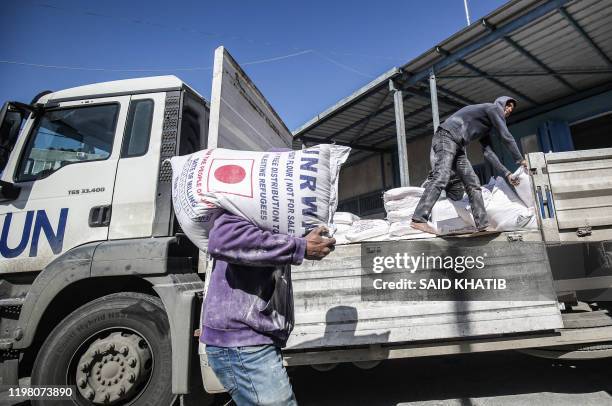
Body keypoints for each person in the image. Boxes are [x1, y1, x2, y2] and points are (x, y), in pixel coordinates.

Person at [201, 212, 335, 405]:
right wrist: (299, 247)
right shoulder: (244, 204)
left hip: (248, 340)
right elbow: (222, 239)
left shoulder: (265, 206)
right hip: (241, 343)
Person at [411, 96, 527, 234]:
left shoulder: (486, 126)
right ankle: (418, 219)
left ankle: (482, 225)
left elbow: (489, 153)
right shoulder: (494, 108)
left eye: (511, 109)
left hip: (457, 146)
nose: (508, 110)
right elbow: (506, 136)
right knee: (442, 176)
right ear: (501, 103)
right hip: (445, 136)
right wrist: (520, 160)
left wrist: (507, 173)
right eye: (507, 106)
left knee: (473, 183)